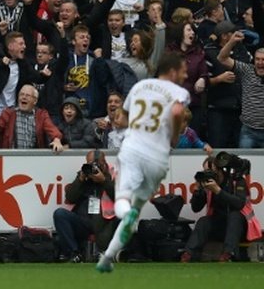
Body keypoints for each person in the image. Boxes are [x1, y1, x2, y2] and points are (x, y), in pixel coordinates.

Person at [97, 52, 191, 273]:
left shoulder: (140, 87)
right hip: (156, 156)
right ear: (173, 70)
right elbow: (177, 111)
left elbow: (126, 115)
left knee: (122, 200)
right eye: (184, 70)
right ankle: (108, 257)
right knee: (137, 208)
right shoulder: (178, 92)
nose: (186, 74)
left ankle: (122, 213)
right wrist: (174, 136)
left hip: (132, 149)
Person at [181, 154, 258, 262]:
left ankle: (227, 254)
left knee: (234, 216)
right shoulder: (208, 184)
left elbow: (239, 203)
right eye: (205, 171)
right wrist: (198, 191)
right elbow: (196, 208)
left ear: (219, 170)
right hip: (220, 226)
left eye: (210, 171)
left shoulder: (236, 180)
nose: (207, 174)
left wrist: (218, 191)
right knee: (204, 221)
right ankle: (188, 254)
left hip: (240, 229)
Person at [52, 149, 117, 263]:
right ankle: (74, 253)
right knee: (60, 214)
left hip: (105, 223)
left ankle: (112, 252)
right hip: (83, 222)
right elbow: (70, 198)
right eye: (90, 164)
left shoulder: (112, 175)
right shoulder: (83, 176)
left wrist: (104, 181)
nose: (94, 168)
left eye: (97, 164)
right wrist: (80, 180)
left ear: (104, 163)